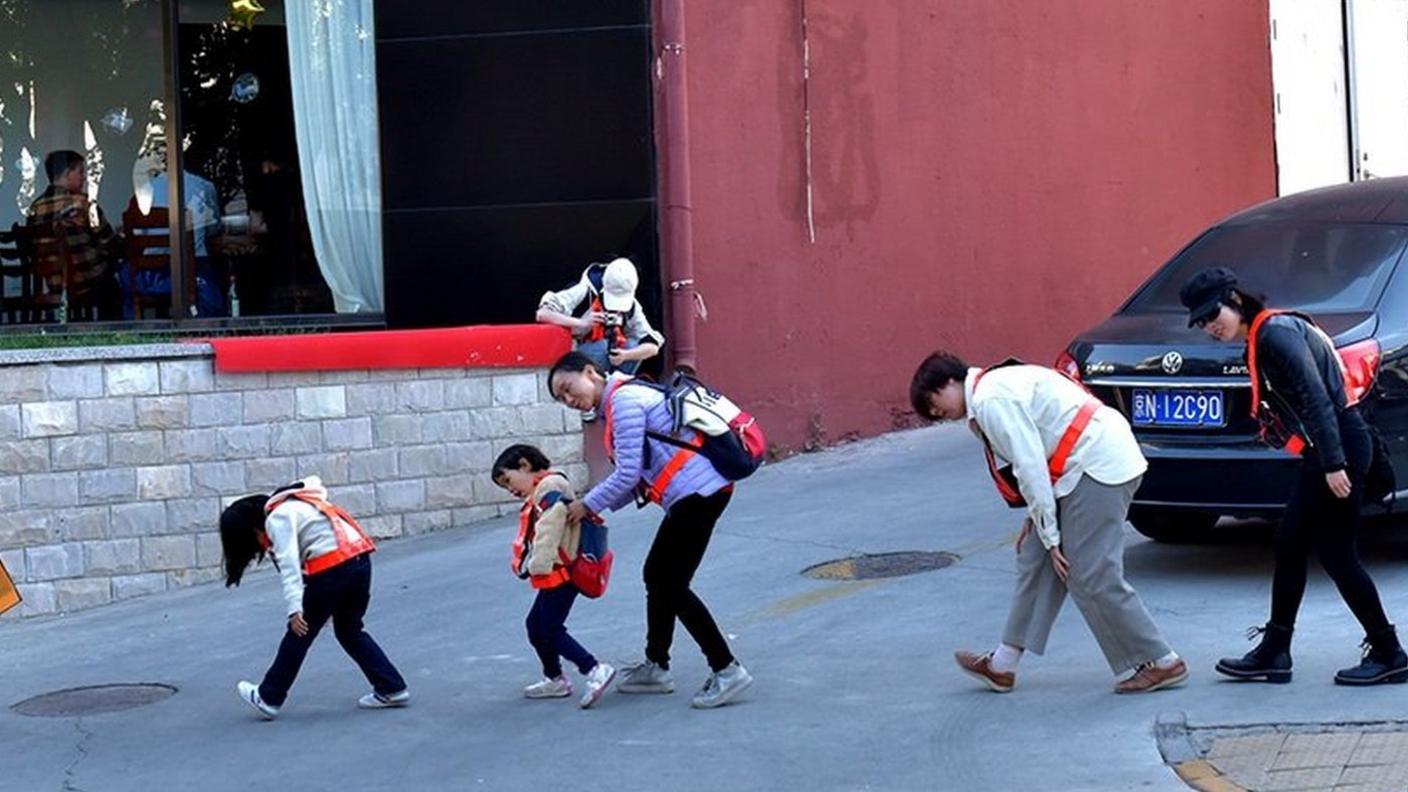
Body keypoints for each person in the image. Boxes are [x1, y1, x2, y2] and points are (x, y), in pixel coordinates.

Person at [909, 351, 1187, 694]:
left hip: (1097, 464)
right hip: (1079, 465)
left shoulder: (991, 400)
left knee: (1088, 572)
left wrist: (1053, 537)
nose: (937, 413)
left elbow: (1029, 466)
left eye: (933, 402)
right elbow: (1040, 455)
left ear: (950, 381)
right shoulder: (991, 389)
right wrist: (1040, 525)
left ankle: (1161, 661)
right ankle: (1003, 664)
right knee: (1035, 553)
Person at [1181, 267, 1406, 685]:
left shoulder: (1275, 336)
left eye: (1214, 314)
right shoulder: (1268, 333)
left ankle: (1389, 651)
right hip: (1328, 448)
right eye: (1202, 321)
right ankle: (1275, 650)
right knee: (1289, 542)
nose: (1211, 326)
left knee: (1337, 553)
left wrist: (1334, 464)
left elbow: (1317, 398)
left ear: (1235, 300)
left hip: (1337, 447)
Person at [549, 351, 753, 709]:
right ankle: (657, 666)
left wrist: (586, 506)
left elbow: (627, 474)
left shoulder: (625, 401)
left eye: (568, 388)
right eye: (562, 399)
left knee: (669, 583)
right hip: (698, 493)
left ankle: (726, 668)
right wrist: (595, 508)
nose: (569, 399)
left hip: (698, 493)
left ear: (590, 372)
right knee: (658, 576)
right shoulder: (624, 399)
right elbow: (638, 477)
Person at [219, 476, 410, 719]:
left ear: (252, 528)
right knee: (350, 630)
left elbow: (289, 565)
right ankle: (392, 687)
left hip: (334, 569)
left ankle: (269, 696)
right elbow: (314, 552)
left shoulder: (278, 519)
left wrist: (294, 609)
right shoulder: (301, 504)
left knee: (298, 634)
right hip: (359, 561)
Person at [492, 444, 617, 709]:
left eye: (509, 480)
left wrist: (538, 563)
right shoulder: (544, 488)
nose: (511, 490)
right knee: (535, 626)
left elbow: (551, 524)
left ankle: (594, 669)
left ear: (524, 465)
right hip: (556, 572)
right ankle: (554, 678)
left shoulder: (550, 487)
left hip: (562, 572)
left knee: (548, 628)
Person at [537, 258, 664, 418]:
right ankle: (590, 402)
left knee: (632, 345)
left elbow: (652, 346)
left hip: (611, 365)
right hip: (578, 352)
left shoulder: (632, 307)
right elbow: (543, 314)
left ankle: (616, 394)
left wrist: (625, 355)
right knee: (601, 346)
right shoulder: (585, 291)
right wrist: (583, 323)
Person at [26, 150, 121, 318]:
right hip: (85, 280)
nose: (84, 178)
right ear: (67, 174)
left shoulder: (34, 209)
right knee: (115, 276)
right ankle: (116, 331)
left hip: (52, 281)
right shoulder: (83, 205)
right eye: (81, 172)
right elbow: (109, 243)